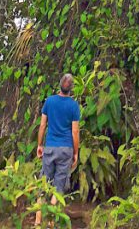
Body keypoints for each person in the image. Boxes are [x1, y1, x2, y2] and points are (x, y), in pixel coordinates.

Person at [35, 73, 80, 226]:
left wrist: (40, 145)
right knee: (58, 187)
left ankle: (37, 221)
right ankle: (50, 223)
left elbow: (42, 125)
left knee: (43, 184)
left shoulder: (49, 101)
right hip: (66, 149)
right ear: (71, 89)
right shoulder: (73, 106)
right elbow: (75, 132)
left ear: (59, 85)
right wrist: (75, 152)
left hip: (50, 147)